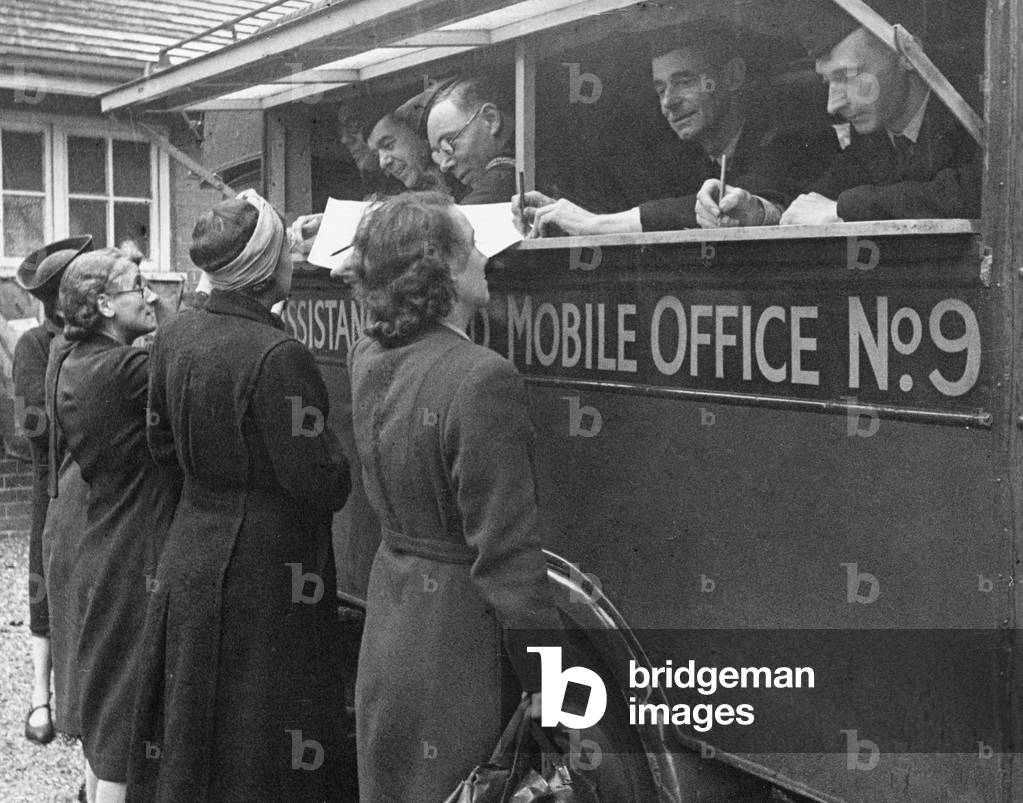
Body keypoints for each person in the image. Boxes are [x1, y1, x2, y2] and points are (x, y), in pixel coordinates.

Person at [127, 190, 352, 802]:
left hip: (190, 557)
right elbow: (320, 483)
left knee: (196, 732)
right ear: (266, 267)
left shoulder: (174, 334)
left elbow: (160, 445)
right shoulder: (280, 355)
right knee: (258, 746)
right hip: (265, 574)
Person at [346, 192, 562, 801]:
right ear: (439, 266)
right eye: (472, 242)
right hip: (456, 647)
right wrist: (554, 686)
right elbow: (507, 559)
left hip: (391, 620)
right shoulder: (482, 377)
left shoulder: (369, 356)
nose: (484, 256)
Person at [51, 247, 181, 803]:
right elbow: (186, 355)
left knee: (108, 707)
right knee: (126, 726)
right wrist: (184, 301)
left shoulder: (75, 357)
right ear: (104, 304)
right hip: (137, 548)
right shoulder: (127, 369)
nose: (149, 294)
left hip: (104, 540)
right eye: (137, 286)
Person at [516, 21, 837, 235]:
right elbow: (657, 205)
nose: (668, 102)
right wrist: (557, 215)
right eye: (660, 89)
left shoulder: (788, 133)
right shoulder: (680, 152)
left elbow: (712, 205)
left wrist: (595, 223)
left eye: (684, 81)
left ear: (733, 76)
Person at [781, 0, 981, 223]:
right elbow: (815, 201)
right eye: (827, 81)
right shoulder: (873, 139)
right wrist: (762, 210)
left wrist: (845, 209)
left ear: (907, 56)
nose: (833, 105)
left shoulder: (982, 115)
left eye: (847, 76)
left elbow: (978, 192)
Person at [15, 236, 92, 749]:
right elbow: (32, 426)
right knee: (44, 588)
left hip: (91, 483)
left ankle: (83, 702)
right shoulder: (33, 346)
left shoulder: (96, 342)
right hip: (54, 483)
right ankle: (42, 698)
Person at [426, 77, 518, 204]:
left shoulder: (507, 175)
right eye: (437, 153)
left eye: (449, 141)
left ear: (491, 119)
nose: (444, 166)